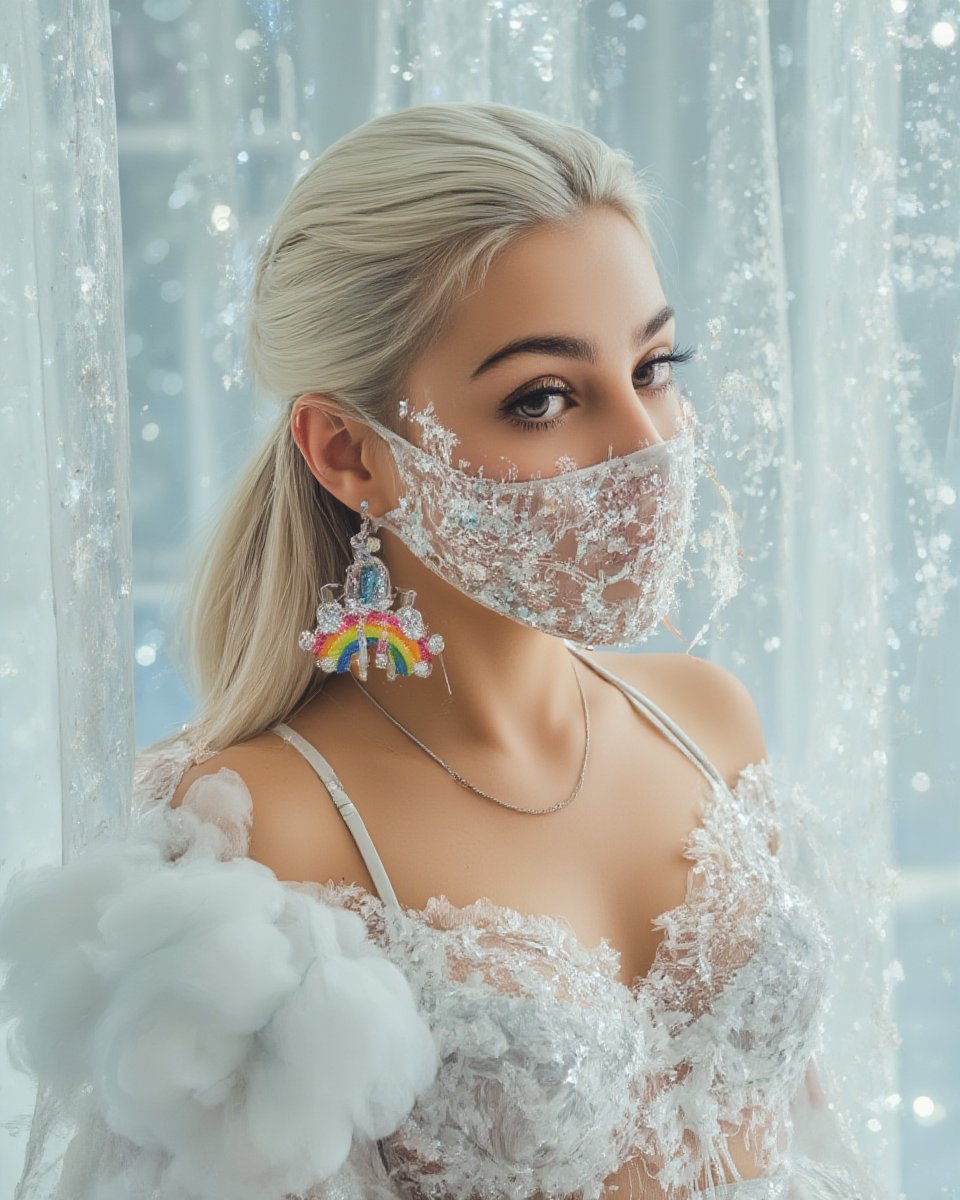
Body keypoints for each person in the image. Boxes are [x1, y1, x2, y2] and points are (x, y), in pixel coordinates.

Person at [0, 103, 883, 1200]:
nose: (647, 448)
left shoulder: (709, 720)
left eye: (656, 366)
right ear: (349, 453)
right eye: (544, 398)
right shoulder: (257, 831)